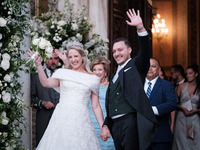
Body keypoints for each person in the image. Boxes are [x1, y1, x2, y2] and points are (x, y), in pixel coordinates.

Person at [28, 43, 104, 150]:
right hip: (61, 119)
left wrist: (103, 127)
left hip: (81, 121)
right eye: (70, 57)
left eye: (76, 56)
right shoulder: (63, 73)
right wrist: (39, 65)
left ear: (82, 56)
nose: (73, 60)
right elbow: (45, 83)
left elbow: (95, 106)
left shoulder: (93, 78)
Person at [100, 8, 157, 150]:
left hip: (130, 122)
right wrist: (106, 124)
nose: (116, 54)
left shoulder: (136, 65)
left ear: (129, 50)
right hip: (115, 124)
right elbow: (111, 102)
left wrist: (140, 28)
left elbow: (145, 51)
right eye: (114, 51)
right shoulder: (113, 74)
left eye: (120, 50)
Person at [145, 58, 177, 150]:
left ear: (159, 69)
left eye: (153, 66)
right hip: (140, 137)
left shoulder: (166, 85)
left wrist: (153, 110)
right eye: (148, 66)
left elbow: (172, 103)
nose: (150, 68)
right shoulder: (138, 85)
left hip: (160, 136)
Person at [31, 52, 60, 146]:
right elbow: (31, 100)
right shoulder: (35, 77)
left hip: (61, 118)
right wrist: (42, 103)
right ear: (44, 60)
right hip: (43, 118)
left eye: (55, 59)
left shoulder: (63, 76)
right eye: (50, 58)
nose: (53, 61)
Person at [88, 56, 115, 150]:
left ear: (105, 72)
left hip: (105, 121)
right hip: (90, 121)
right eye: (94, 69)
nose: (97, 72)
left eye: (100, 69)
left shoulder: (111, 87)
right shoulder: (89, 86)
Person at [172, 65, 200, 150]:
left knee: (196, 143)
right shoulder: (181, 86)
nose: (188, 75)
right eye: (187, 73)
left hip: (195, 119)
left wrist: (196, 110)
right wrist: (182, 108)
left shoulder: (199, 88)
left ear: (196, 74)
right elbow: (174, 103)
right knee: (181, 143)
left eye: (190, 73)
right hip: (181, 118)